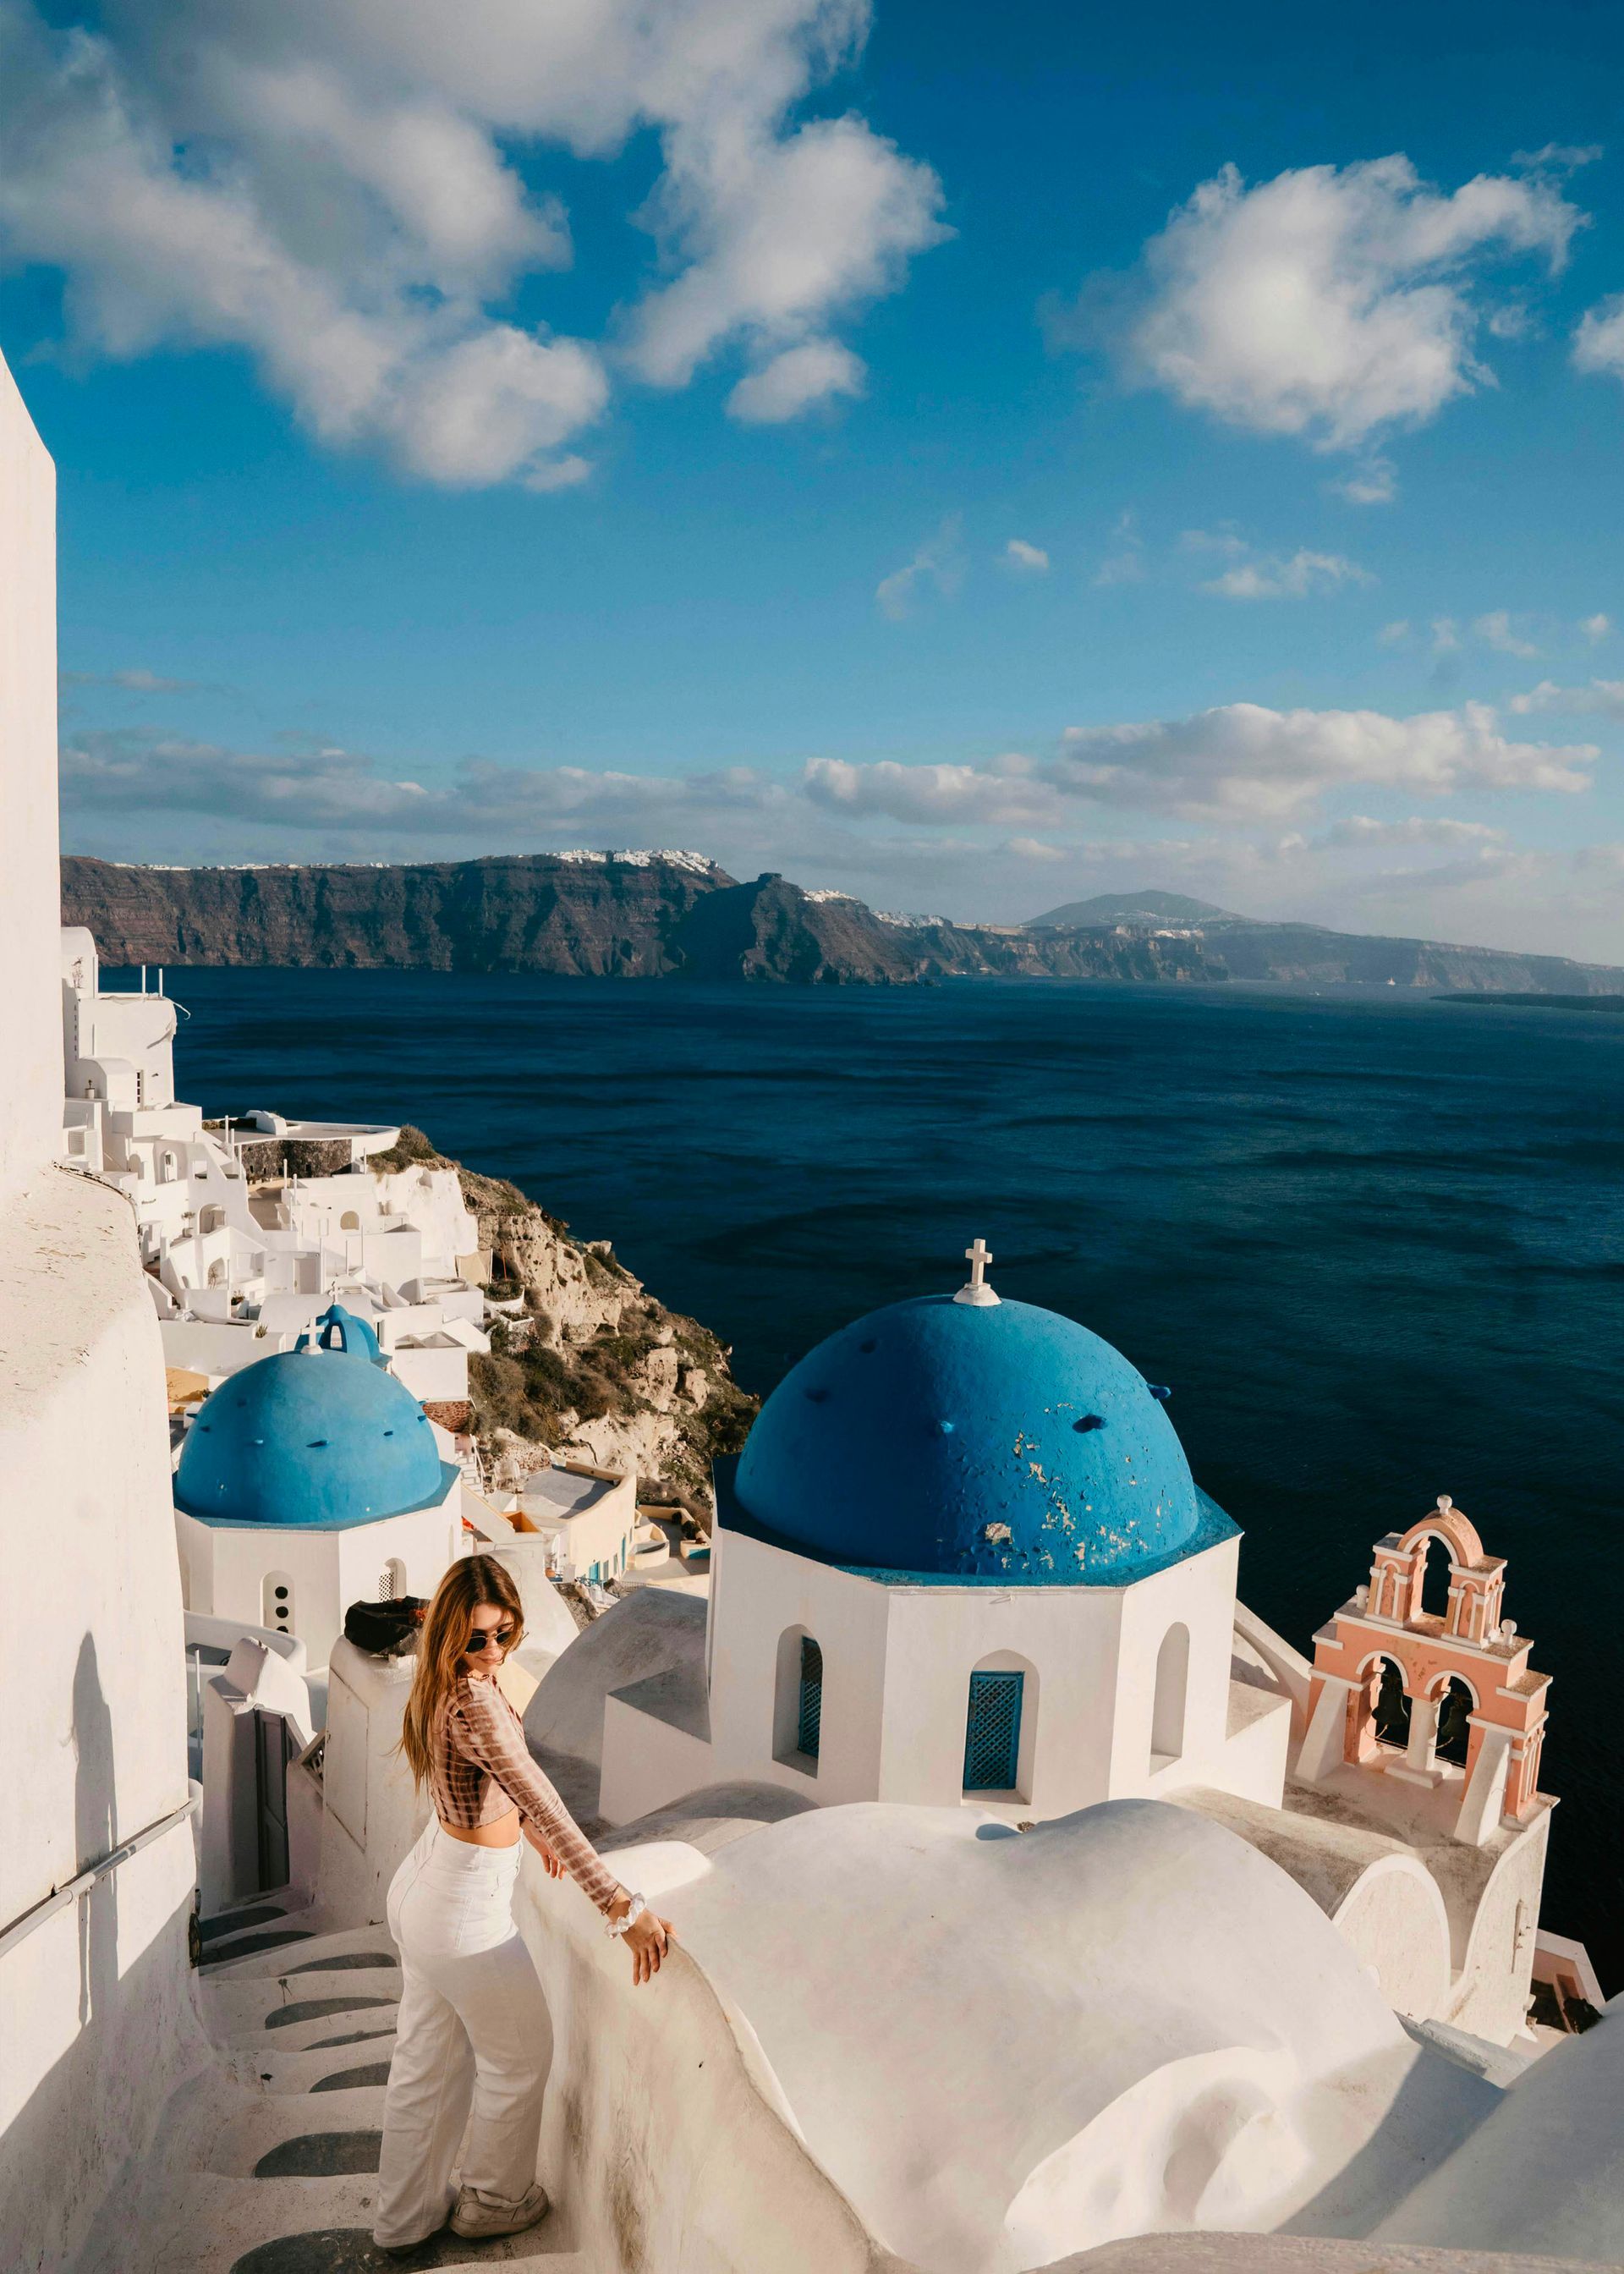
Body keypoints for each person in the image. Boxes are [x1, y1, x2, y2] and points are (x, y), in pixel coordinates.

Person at [373, 1555, 672, 2253]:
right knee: (521, 2055)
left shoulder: (443, 1681)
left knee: (425, 2066)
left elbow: (490, 1785)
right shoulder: (477, 1702)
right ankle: (493, 2200)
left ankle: (402, 2218)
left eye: (505, 1633)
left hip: (429, 1884)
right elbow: (544, 1796)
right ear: (451, 1633)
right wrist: (623, 1911)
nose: (494, 1651)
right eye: (477, 1638)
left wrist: (523, 1829)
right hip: (461, 1909)